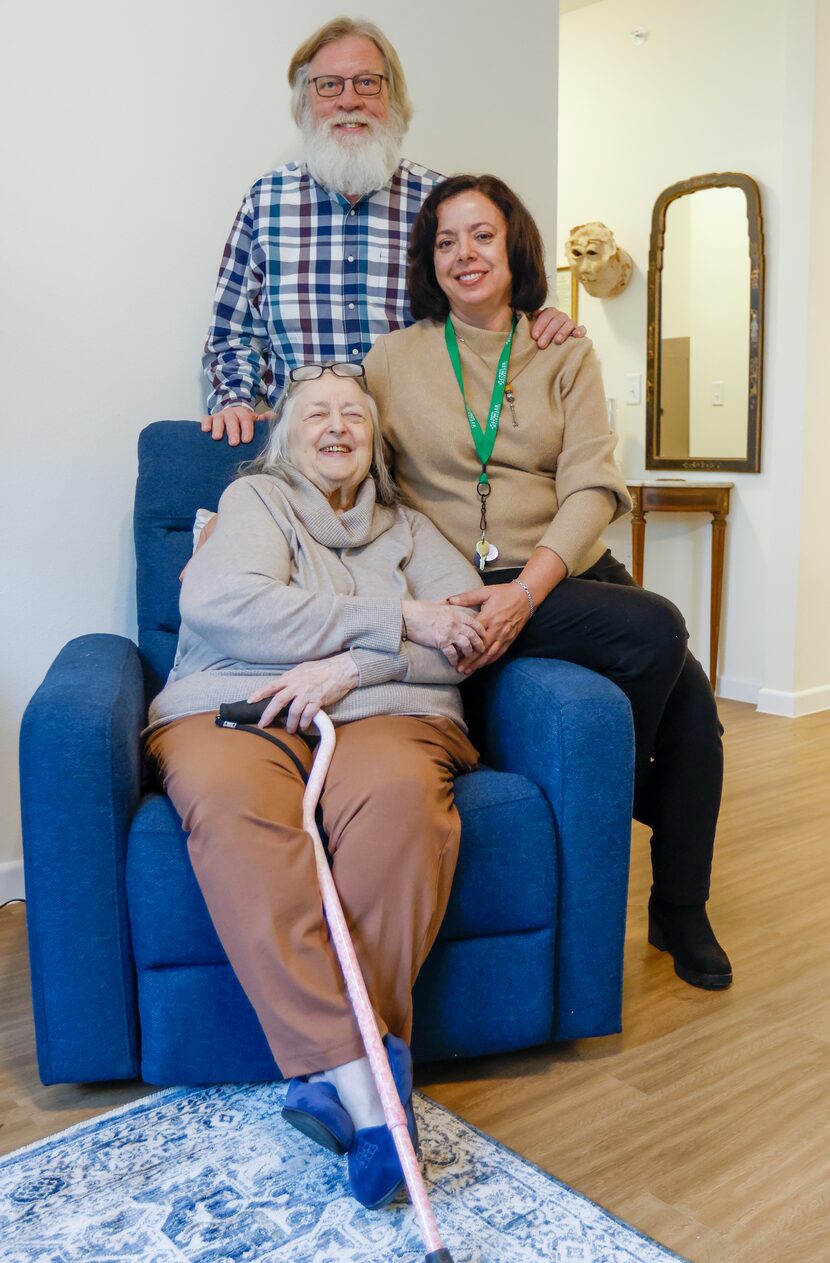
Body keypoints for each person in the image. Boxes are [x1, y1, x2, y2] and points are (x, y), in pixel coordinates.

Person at [363, 173, 732, 991]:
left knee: (689, 699)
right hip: (467, 582)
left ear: (513, 244)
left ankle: (680, 906)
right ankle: (624, 815)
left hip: (564, 574)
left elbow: (593, 487)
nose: (464, 254)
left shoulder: (563, 347)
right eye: (446, 240)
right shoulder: (394, 356)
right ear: (429, 258)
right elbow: (352, 459)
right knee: (665, 638)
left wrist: (527, 591)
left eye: (482, 235)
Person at [146, 363, 481, 1208]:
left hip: (386, 710)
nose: (336, 428)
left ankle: (341, 1084)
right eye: (316, 415)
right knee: (234, 807)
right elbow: (227, 606)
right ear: (285, 436)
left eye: (354, 418)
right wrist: (396, 618)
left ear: (376, 442)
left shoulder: (412, 527)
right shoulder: (256, 503)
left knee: (404, 801)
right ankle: (366, 1081)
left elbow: (468, 630)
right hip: (233, 701)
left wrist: (350, 667)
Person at [201, 16, 582, 448]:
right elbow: (232, 334)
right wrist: (233, 400)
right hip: (300, 453)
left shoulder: (440, 203)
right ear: (306, 102)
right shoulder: (265, 201)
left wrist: (538, 322)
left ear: (393, 98)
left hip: (422, 453)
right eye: (329, 85)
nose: (349, 100)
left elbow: (488, 311)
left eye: (367, 83)